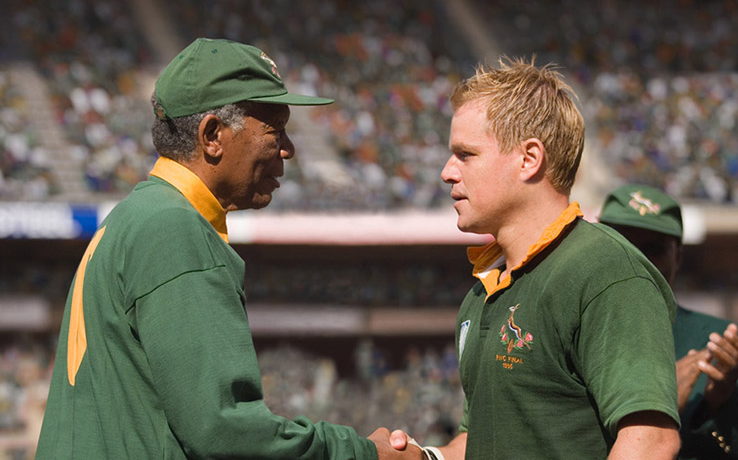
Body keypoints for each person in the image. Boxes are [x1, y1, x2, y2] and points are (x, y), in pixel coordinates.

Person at [36, 38, 421, 460]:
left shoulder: (137, 215)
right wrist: (363, 453)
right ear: (213, 135)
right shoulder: (174, 229)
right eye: (275, 128)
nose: (288, 149)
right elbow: (224, 432)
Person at [395, 57, 682, 459]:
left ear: (529, 158)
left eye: (466, 154)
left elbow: (650, 441)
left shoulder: (606, 272)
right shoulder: (482, 294)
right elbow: (480, 439)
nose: (447, 172)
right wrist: (425, 457)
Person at [598, 183, 738, 459]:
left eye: (654, 249)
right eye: (623, 244)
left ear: (678, 258)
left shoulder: (717, 341)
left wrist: (718, 406)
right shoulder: (565, 327)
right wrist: (657, 403)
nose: (638, 260)